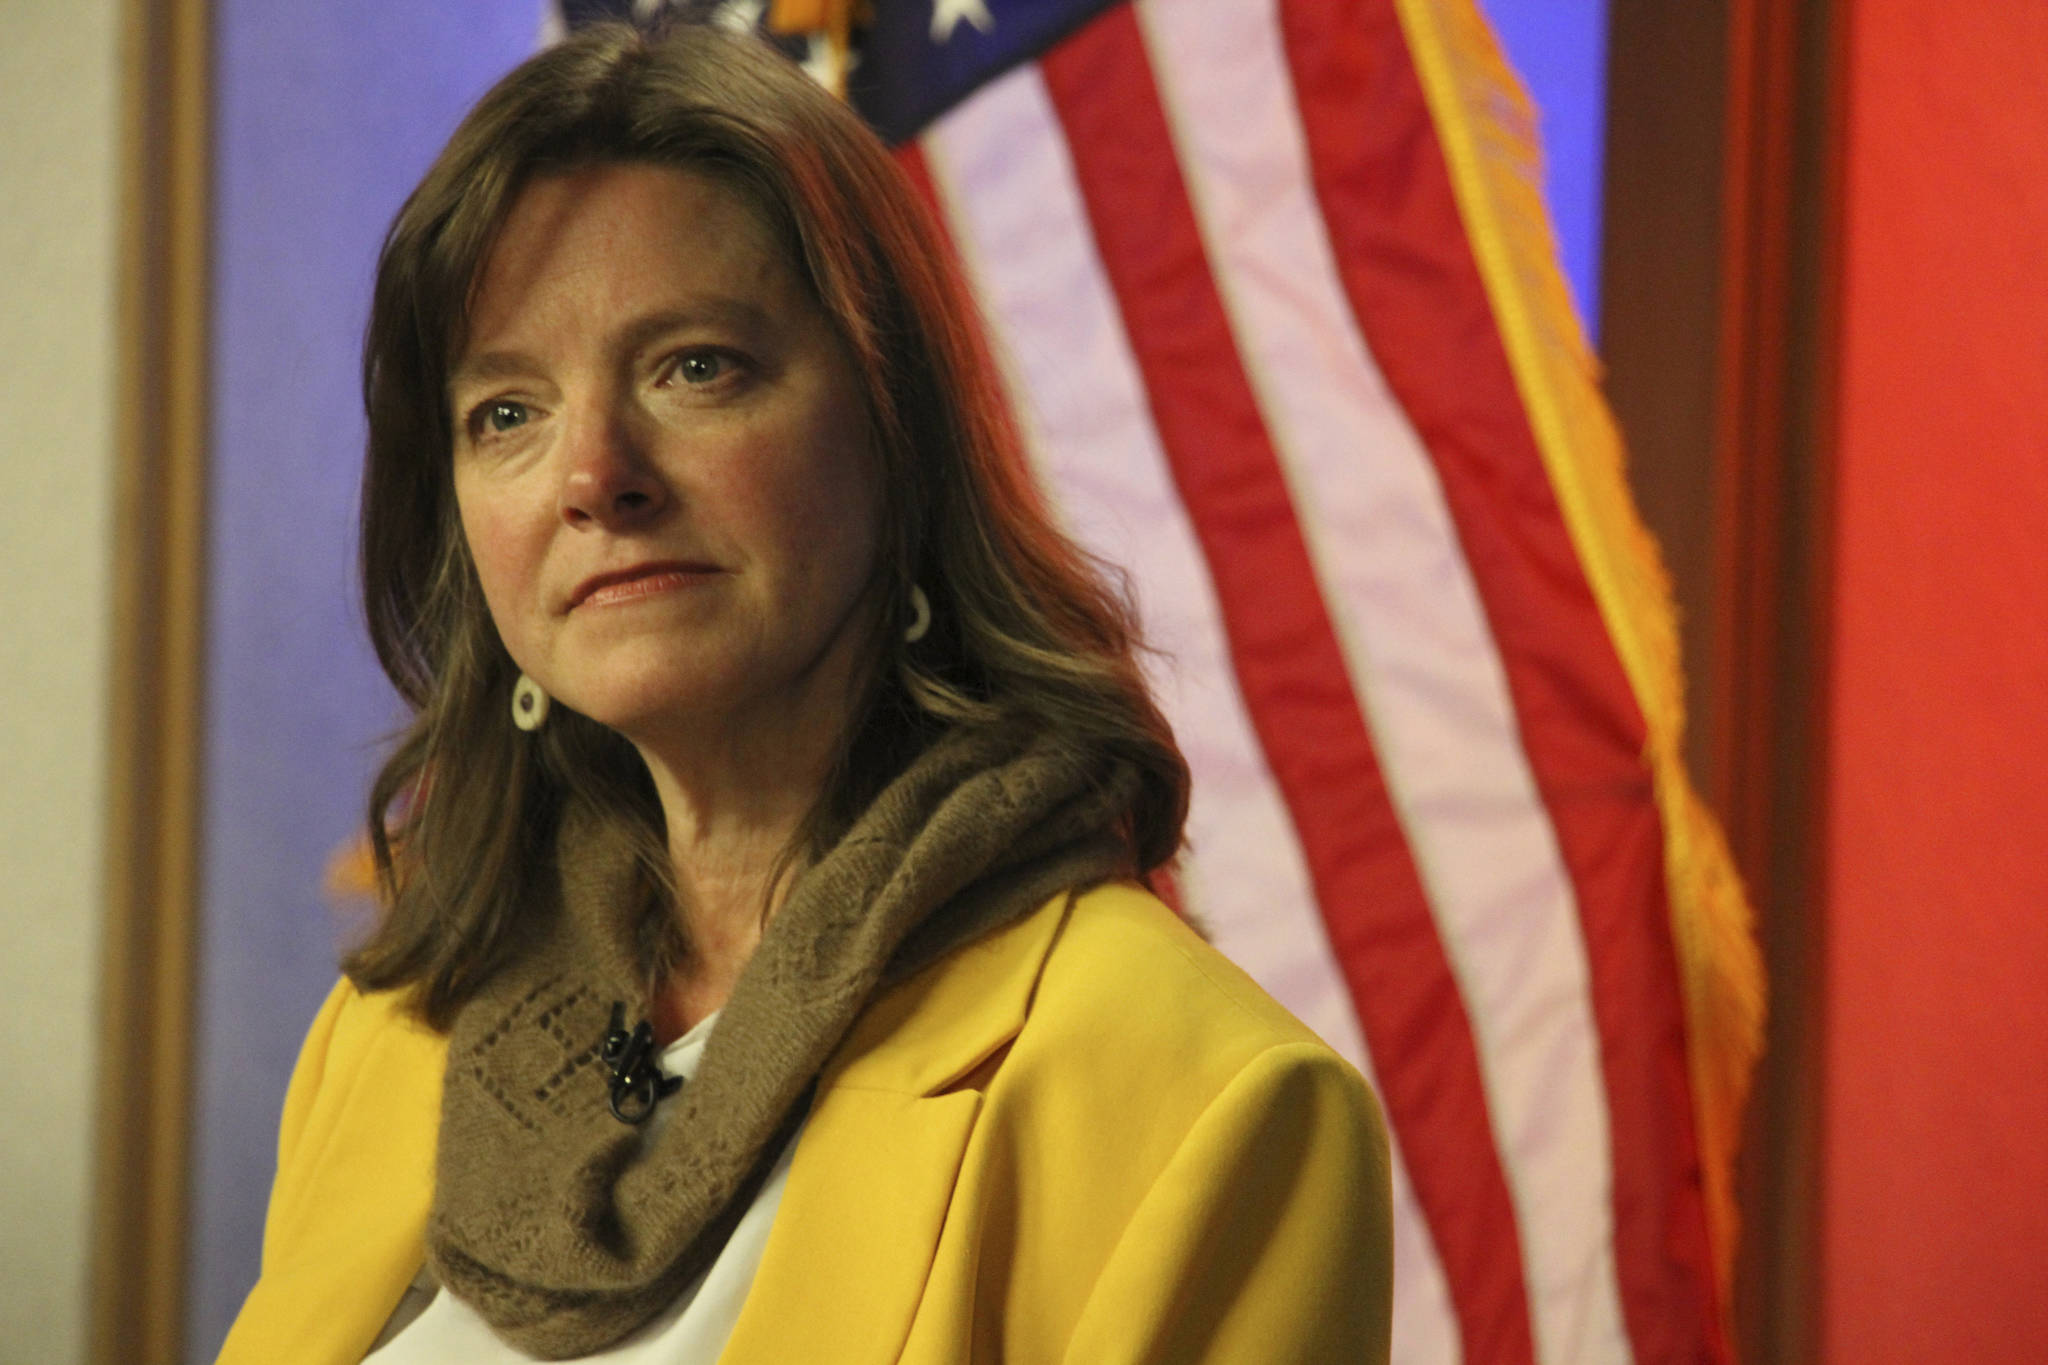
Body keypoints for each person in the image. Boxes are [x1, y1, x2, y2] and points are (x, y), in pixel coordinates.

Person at [220, 20, 1391, 1364]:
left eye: (696, 366)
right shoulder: (384, 1040)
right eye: (508, 410)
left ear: (896, 433)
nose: (594, 472)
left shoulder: (1208, 1103)